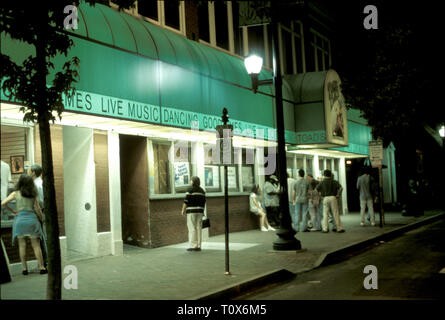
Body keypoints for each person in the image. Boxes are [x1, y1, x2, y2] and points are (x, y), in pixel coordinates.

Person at [1, 174, 47, 275]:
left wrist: (13, 211)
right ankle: (42, 267)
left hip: (20, 221)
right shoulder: (33, 194)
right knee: (36, 245)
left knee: (22, 245)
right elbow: (38, 209)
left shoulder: (15, 194)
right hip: (32, 220)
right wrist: (41, 220)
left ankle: (24, 269)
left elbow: (3, 203)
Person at [28, 164, 47, 267]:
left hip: (38, 212)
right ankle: (45, 261)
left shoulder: (33, 185)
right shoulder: (43, 182)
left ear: (33, 173)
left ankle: (44, 262)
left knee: (40, 238)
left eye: (29, 170)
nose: (28, 172)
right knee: (44, 237)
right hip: (44, 210)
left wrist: (39, 215)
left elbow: (36, 202)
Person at [181, 176, 206, 252]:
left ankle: (193, 246)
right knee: (199, 228)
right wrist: (202, 211)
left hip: (191, 211)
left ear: (193, 181)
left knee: (192, 228)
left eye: (190, 180)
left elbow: (186, 201)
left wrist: (183, 210)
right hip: (200, 212)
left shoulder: (190, 189)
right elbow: (204, 202)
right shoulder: (202, 191)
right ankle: (198, 245)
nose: (190, 182)